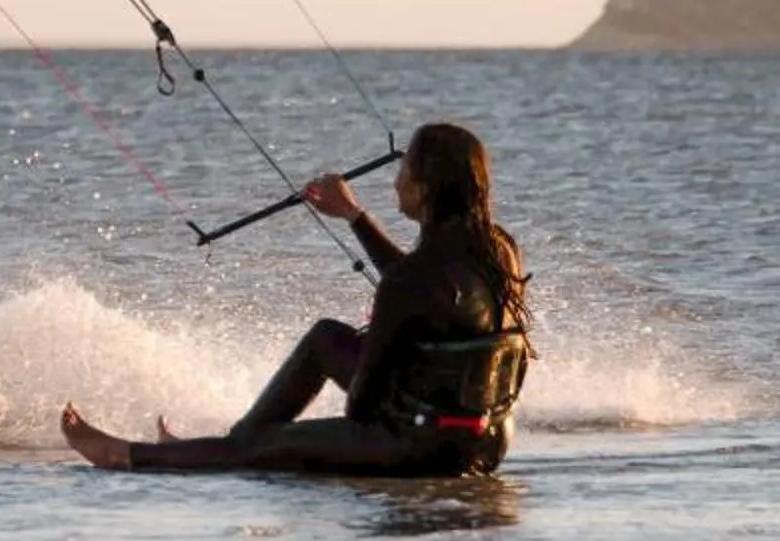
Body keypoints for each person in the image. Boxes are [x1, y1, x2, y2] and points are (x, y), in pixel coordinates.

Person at [61, 122, 532, 476]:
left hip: (415, 447)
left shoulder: (407, 284)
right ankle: (218, 448)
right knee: (328, 337)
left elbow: (362, 408)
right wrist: (351, 214)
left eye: (404, 170)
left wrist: (376, 347)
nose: (395, 182)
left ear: (425, 188)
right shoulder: (498, 250)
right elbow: (420, 284)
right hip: (485, 439)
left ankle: (131, 455)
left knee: (263, 442)